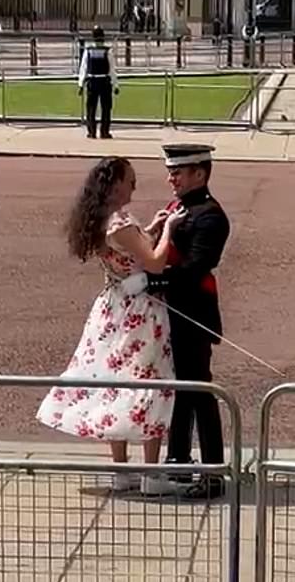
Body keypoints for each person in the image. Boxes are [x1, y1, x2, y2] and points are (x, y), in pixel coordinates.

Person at [37, 156, 180, 493]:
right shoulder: (120, 222)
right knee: (150, 383)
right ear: (115, 183)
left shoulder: (101, 219)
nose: (134, 185)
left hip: (112, 306)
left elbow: (128, 253)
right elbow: (155, 264)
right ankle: (150, 472)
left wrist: (152, 230)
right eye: (129, 179)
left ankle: (121, 468)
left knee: (115, 381)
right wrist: (169, 230)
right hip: (140, 310)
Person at [148, 143, 231, 500]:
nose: (172, 178)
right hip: (171, 311)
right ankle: (178, 458)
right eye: (171, 171)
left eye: (178, 172)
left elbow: (196, 266)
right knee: (178, 387)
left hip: (193, 312)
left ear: (200, 173)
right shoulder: (179, 208)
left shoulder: (211, 216)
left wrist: (155, 280)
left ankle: (213, 472)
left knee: (199, 390)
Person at [77, 26, 118, 140]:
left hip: (92, 81)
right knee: (106, 108)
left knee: (91, 108)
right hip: (104, 81)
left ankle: (92, 132)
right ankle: (104, 132)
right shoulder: (107, 51)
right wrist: (115, 85)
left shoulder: (88, 50)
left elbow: (83, 68)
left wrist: (80, 84)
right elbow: (112, 69)